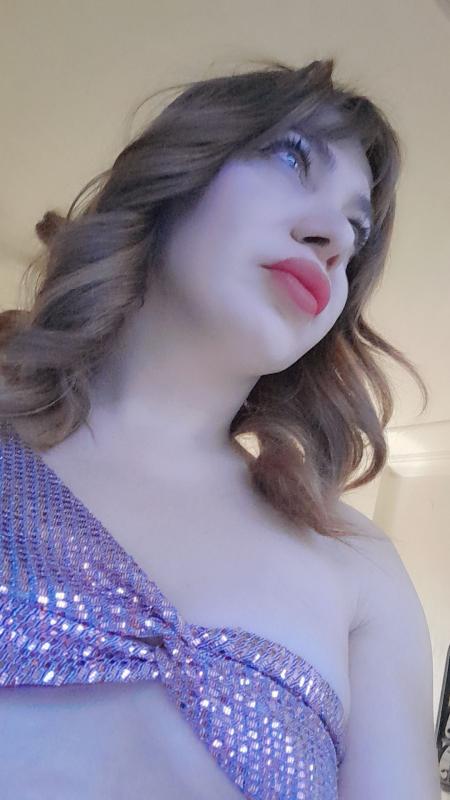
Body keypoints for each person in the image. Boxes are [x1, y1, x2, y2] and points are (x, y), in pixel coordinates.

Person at [0, 58, 440, 799]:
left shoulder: (361, 569)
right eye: (292, 157)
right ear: (177, 170)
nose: (333, 239)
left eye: (356, 233)